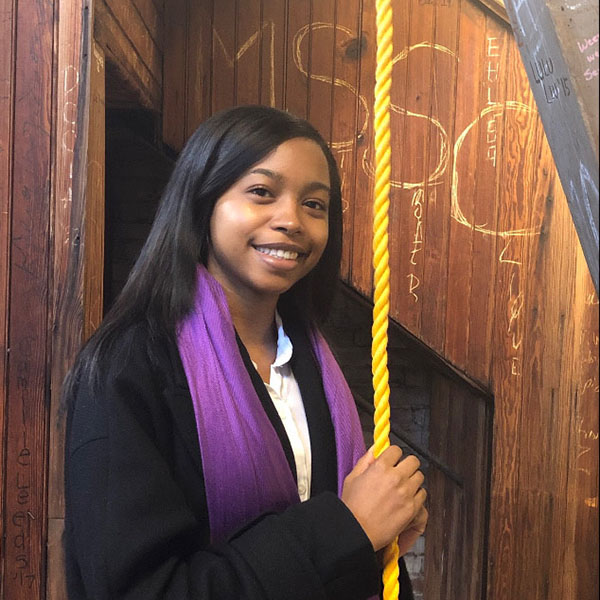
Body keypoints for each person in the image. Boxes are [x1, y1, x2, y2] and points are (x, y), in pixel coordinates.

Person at [63, 105, 428, 600]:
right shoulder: (128, 367)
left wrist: (379, 535)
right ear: (204, 201)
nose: (292, 221)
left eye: (315, 205)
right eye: (261, 192)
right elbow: (140, 590)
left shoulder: (316, 370)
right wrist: (347, 528)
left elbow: (348, 554)